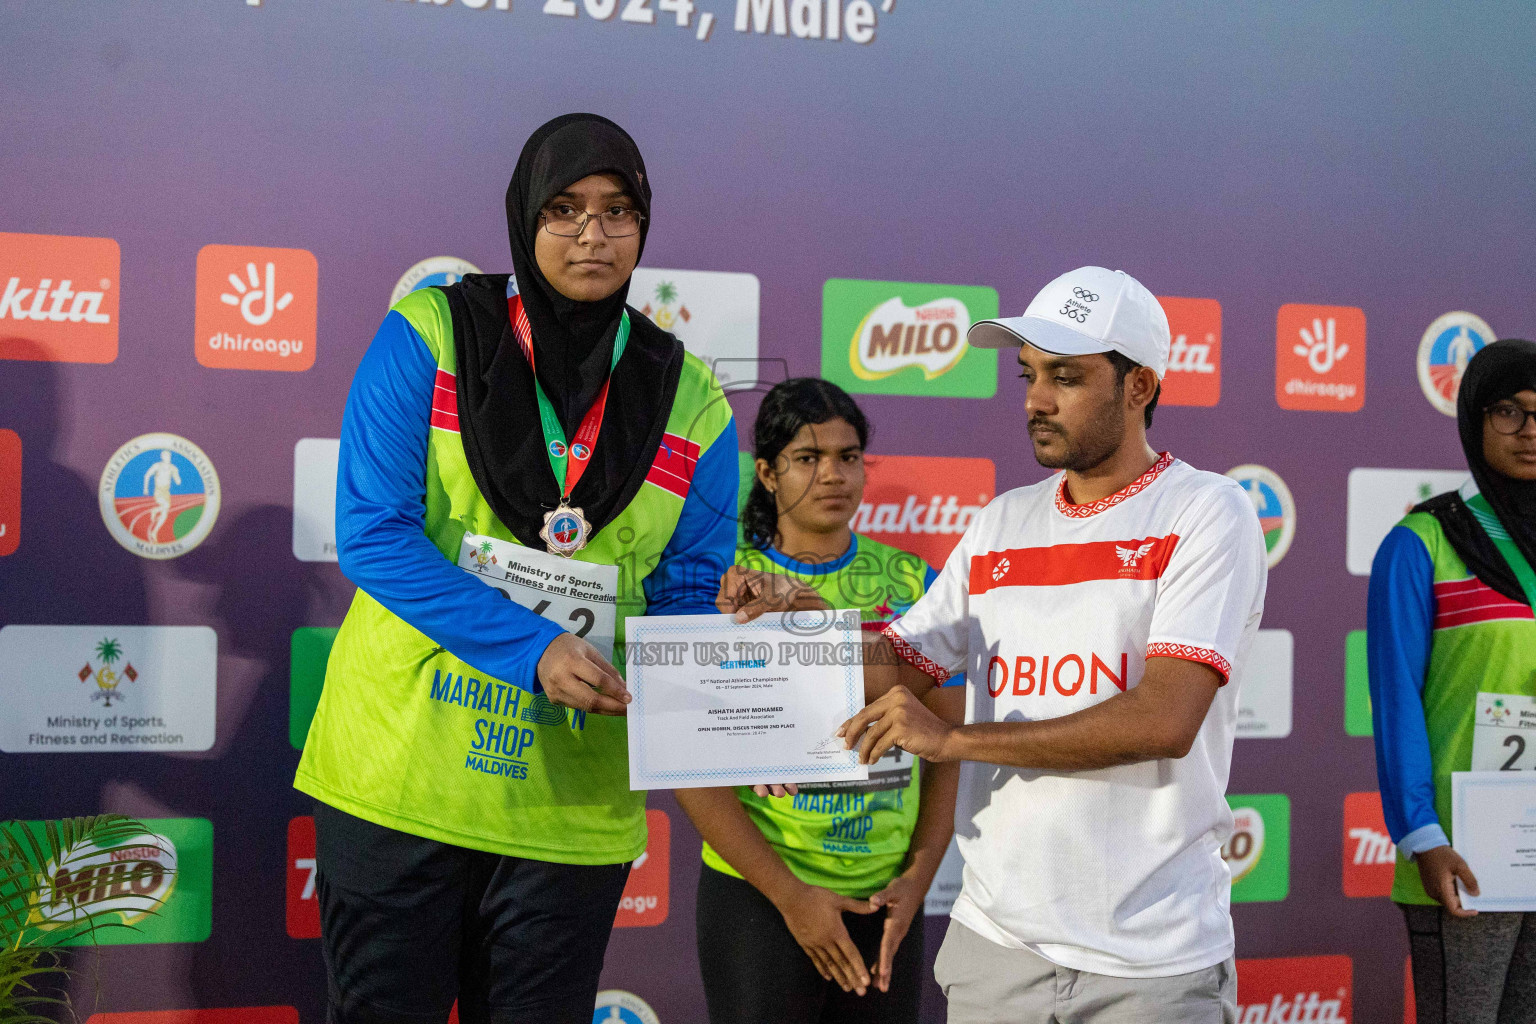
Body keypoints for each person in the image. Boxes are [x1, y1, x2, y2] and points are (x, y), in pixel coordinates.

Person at [723, 266, 1268, 1023]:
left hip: (1150, 961)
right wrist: (801, 619)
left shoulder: (1209, 512)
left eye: (1065, 377)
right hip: (995, 947)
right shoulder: (1002, 521)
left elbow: (1163, 720)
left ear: (1140, 385)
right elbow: (900, 665)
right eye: (1028, 374)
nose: (1035, 400)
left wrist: (953, 739)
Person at [293, 113, 739, 1024]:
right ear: (523, 217)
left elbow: (685, 592)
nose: (592, 234)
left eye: (619, 211)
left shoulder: (691, 394)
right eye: (565, 208)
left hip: (566, 821)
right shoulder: (432, 332)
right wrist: (531, 648)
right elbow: (372, 533)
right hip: (400, 788)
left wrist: (742, 709)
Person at [676, 378, 960, 1024]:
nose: (833, 474)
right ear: (769, 474)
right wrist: (789, 895)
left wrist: (918, 875)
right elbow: (689, 764)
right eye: (808, 458)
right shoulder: (723, 582)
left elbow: (948, 744)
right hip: (760, 892)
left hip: (886, 896)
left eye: (849, 456)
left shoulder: (918, 583)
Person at [1368, 338, 1536, 1024]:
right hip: (1463, 850)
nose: (1530, 432)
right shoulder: (1421, 542)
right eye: (1510, 412)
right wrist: (1420, 834)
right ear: (1474, 417)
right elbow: (1396, 702)